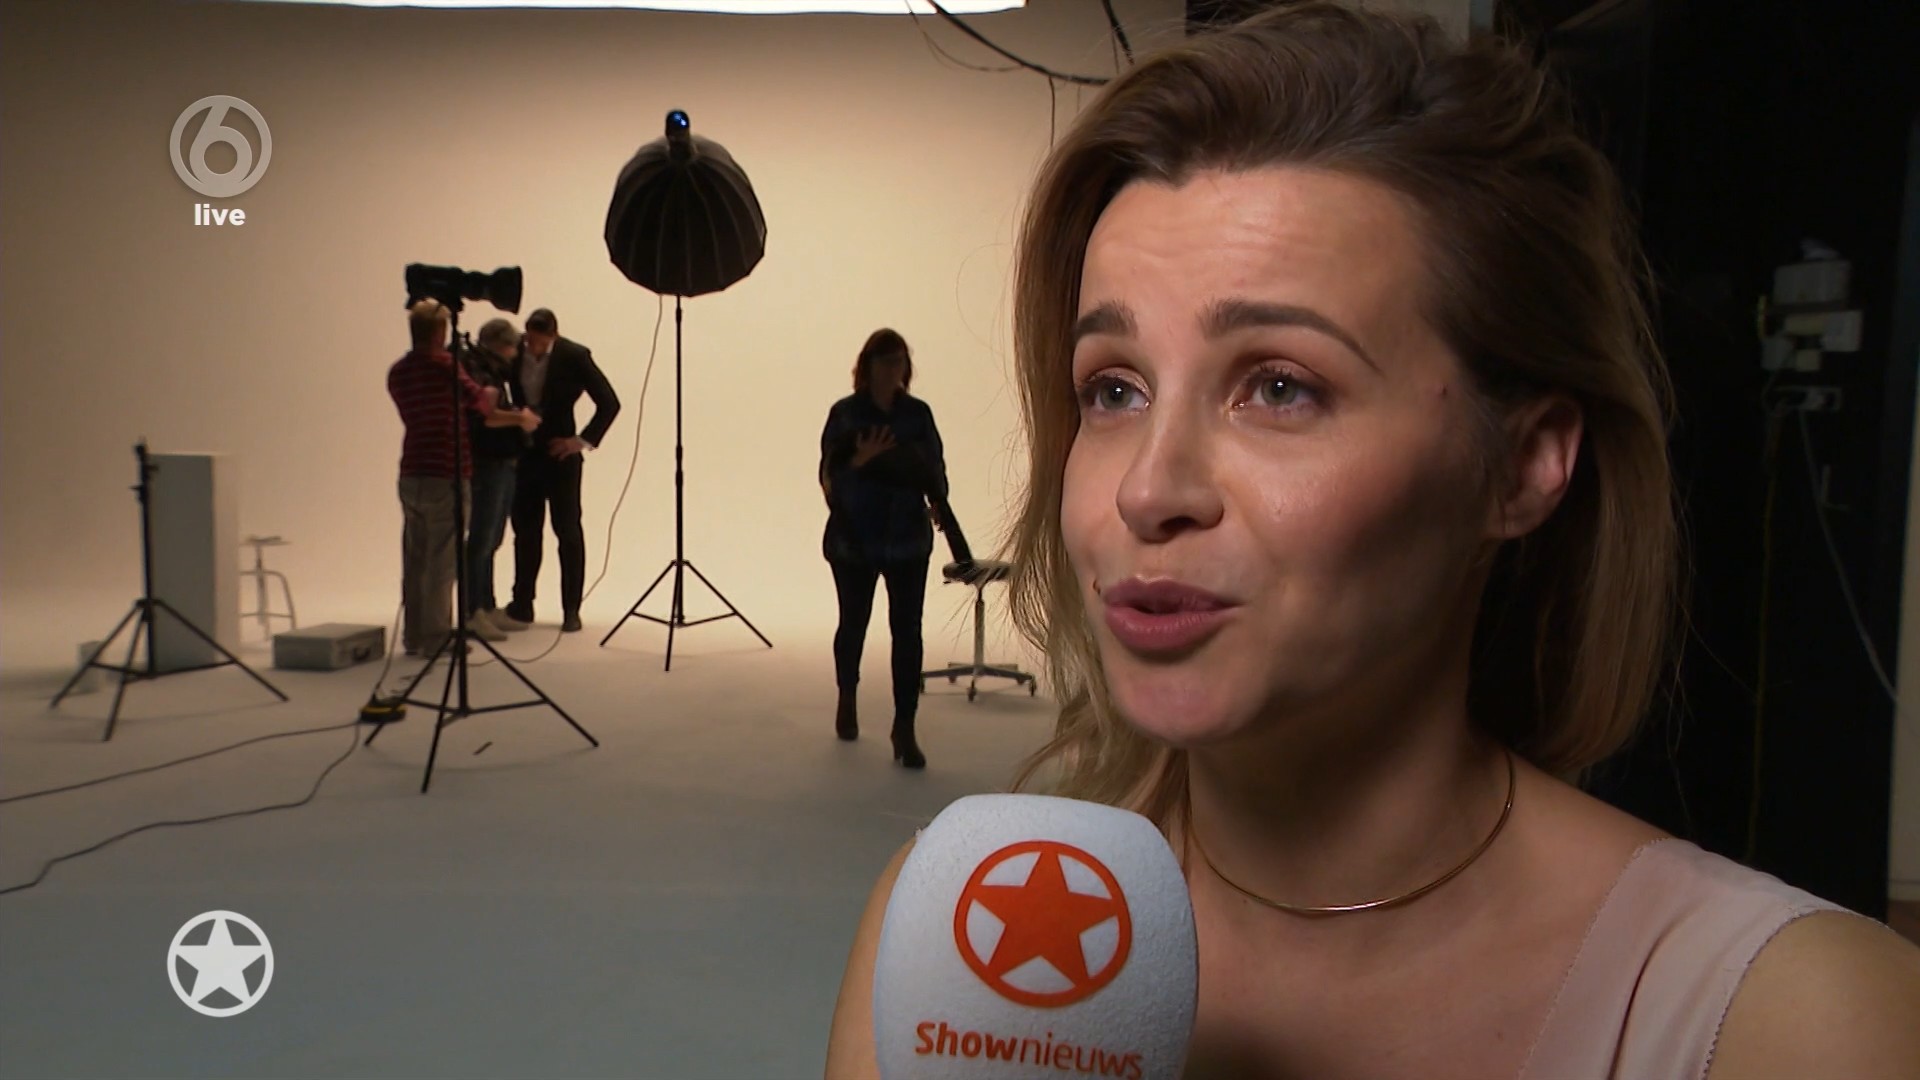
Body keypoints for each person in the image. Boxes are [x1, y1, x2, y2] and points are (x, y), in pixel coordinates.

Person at [825, 6, 1920, 1079]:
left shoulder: (1804, 1024)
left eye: (1280, 387)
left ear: (1523, 463)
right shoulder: (943, 952)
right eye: (1114, 389)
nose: (1148, 491)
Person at [818, 329, 969, 769]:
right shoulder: (846, 414)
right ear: (867, 367)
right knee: (853, 623)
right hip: (854, 540)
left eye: (899, 361)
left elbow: (934, 467)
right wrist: (860, 461)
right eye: (885, 361)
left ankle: (905, 726)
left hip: (906, 538)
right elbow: (829, 479)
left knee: (908, 631)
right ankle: (847, 697)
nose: (892, 370)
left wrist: (939, 501)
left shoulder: (917, 415)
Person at [386, 300, 532, 658]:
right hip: (446, 471)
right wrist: (496, 396)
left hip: (411, 471)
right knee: (442, 561)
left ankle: (414, 634)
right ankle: (437, 637)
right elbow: (482, 403)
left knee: (416, 559)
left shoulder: (399, 372)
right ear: (440, 332)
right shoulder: (446, 367)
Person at [505, 307, 621, 633]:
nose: (533, 348)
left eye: (540, 343)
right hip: (525, 454)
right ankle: (522, 603)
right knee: (526, 531)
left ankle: (571, 608)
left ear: (553, 336)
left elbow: (609, 402)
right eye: (530, 341)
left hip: (561, 457)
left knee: (567, 530)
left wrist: (579, 441)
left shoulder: (574, 356)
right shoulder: (515, 351)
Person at [459, 317, 538, 641]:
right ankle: (472, 610)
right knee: (481, 539)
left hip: (503, 462)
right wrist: (520, 418)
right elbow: (485, 416)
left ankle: (487, 606)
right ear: (498, 345)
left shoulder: (494, 371)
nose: (514, 353)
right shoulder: (477, 369)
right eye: (511, 347)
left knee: (492, 539)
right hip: (487, 462)